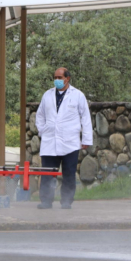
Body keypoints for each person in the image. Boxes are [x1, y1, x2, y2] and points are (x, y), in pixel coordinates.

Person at [35, 67, 93, 209]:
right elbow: (40, 115)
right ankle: (46, 201)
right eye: (55, 77)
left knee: (69, 173)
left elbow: (85, 117)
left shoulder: (78, 95)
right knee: (48, 173)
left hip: (70, 142)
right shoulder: (47, 95)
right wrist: (43, 130)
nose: (57, 80)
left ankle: (66, 201)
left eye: (60, 78)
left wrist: (86, 139)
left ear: (67, 78)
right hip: (50, 141)